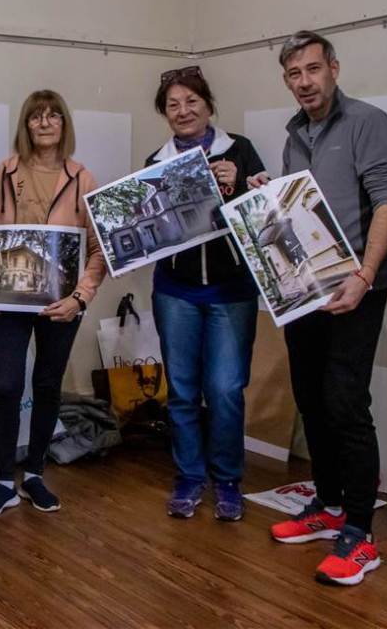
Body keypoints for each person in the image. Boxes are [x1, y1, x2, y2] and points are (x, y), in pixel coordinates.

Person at [250, 31, 387, 586]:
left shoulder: (368, 122)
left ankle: (360, 535)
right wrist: (273, 189)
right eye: (294, 74)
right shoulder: (296, 134)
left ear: (333, 68)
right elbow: (304, 207)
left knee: (345, 403)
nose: (305, 82)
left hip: (357, 289)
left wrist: (363, 276)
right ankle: (330, 506)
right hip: (305, 289)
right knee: (312, 399)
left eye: (313, 69)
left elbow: (386, 203)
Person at [0, 90, 105, 520]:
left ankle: (35, 475)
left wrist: (80, 297)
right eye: (35, 117)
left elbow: (98, 250)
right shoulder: (3, 174)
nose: (44, 123)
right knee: (7, 386)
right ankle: (4, 482)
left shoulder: (83, 177)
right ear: (25, 125)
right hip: (8, 302)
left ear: (64, 124)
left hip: (62, 305)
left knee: (48, 386)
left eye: (53, 116)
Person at [146, 66, 265, 522]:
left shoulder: (240, 150)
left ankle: (229, 481)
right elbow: (151, 230)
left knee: (226, 389)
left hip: (231, 290)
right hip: (175, 291)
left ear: (208, 105)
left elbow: (260, 214)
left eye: (191, 101)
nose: (183, 111)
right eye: (173, 105)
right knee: (180, 391)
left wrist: (238, 186)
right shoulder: (154, 164)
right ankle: (190, 477)